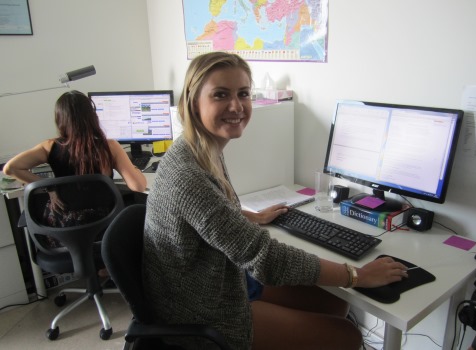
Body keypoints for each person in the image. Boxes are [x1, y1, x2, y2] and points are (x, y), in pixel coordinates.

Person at [143, 52, 408, 350]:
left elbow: (207, 215)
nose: (236, 106)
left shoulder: (200, 149)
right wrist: (355, 275)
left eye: (243, 93)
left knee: (331, 301)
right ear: (193, 102)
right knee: (347, 336)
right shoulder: (188, 174)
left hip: (220, 280)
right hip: (200, 313)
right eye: (220, 95)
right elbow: (265, 258)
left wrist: (249, 217)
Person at [4, 90, 147, 246]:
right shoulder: (109, 146)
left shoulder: (49, 146)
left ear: (60, 119)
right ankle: (106, 266)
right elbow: (138, 186)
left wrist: (50, 187)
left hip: (63, 235)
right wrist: (135, 169)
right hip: (104, 230)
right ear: (92, 116)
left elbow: (10, 168)